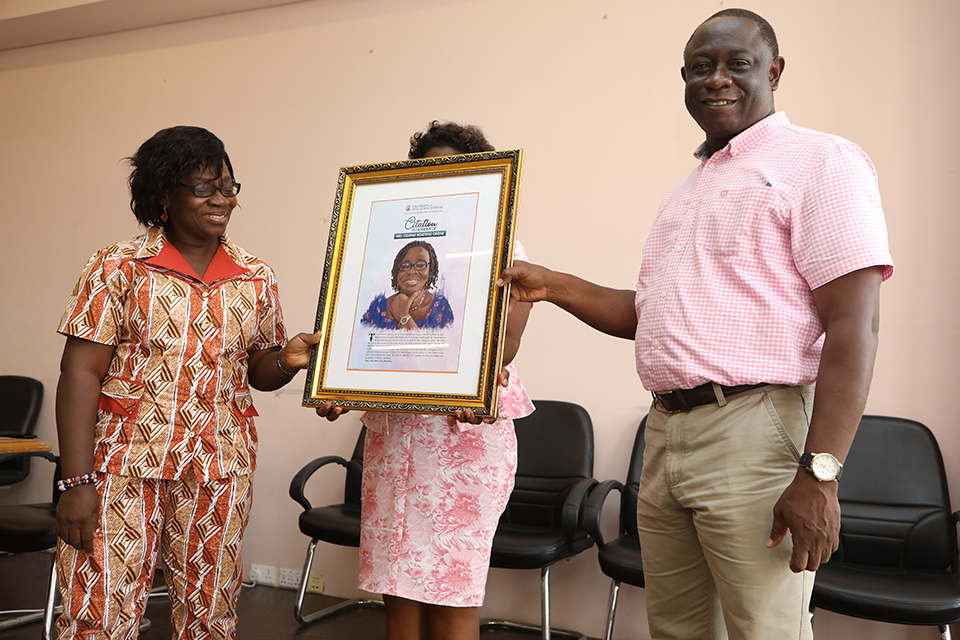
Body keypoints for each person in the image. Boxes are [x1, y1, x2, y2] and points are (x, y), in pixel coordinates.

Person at [498, 9, 893, 640]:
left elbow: (854, 326)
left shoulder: (823, 162)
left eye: (737, 63)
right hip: (666, 433)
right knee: (677, 631)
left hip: (755, 431)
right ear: (683, 79)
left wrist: (820, 474)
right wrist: (556, 287)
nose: (717, 80)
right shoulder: (684, 191)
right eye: (700, 68)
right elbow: (652, 319)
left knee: (764, 631)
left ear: (775, 70)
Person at [54, 126, 319, 639]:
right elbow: (79, 371)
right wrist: (75, 481)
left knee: (211, 611)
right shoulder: (116, 266)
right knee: (100, 612)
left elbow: (259, 369)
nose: (221, 200)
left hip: (221, 464)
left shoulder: (255, 274)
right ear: (163, 195)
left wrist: (285, 361)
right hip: (122, 465)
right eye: (203, 187)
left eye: (228, 187)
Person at [318, 121, 533, 640]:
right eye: (425, 170)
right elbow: (361, 343)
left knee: (449, 589)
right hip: (395, 438)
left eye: (450, 170)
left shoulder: (504, 250)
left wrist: (469, 385)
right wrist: (339, 385)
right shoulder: (374, 255)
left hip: (464, 439)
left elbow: (502, 346)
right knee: (396, 585)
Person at [360, 240, 455, 330]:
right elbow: (361, 344)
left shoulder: (441, 308)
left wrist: (403, 316)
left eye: (420, 265)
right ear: (397, 273)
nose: (411, 271)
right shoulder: (378, 308)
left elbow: (430, 347)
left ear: (430, 271)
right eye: (405, 266)